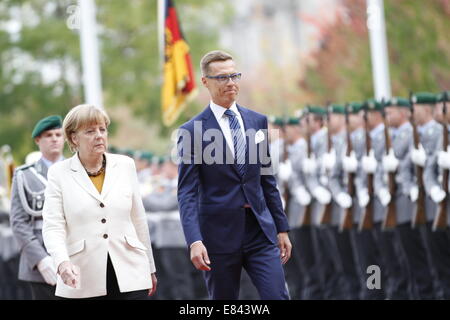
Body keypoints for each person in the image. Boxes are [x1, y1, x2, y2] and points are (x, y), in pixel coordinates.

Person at [177, 50, 291, 300]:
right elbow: (186, 193)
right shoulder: (192, 131)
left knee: (278, 296)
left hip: (260, 231)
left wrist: (281, 227)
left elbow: (267, 180)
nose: (230, 82)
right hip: (218, 237)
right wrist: (194, 240)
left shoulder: (257, 121)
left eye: (234, 75)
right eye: (222, 78)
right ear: (205, 81)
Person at [42, 104, 157, 299]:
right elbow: (53, 226)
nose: (99, 135)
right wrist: (62, 263)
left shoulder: (126, 165)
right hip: (83, 275)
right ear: (73, 138)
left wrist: (150, 267)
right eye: (90, 131)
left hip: (130, 271)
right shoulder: (58, 173)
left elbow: (138, 219)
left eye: (102, 129)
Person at [9, 115, 64, 299]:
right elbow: (18, 222)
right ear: (38, 140)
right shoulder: (25, 175)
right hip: (41, 259)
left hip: (75, 255)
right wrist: (40, 259)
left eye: (58, 134)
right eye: (49, 135)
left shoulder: (78, 170)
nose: (55, 139)